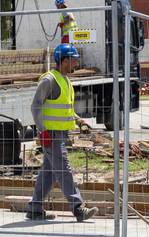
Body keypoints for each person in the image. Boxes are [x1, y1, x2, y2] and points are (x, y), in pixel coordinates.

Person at [27, 44, 98, 221]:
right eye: (73, 60)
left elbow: (64, 109)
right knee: (64, 169)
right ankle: (78, 207)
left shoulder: (64, 80)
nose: (75, 63)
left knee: (49, 172)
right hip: (51, 134)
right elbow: (35, 107)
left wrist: (77, 119)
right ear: (64, 60)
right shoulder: (49, 80)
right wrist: (42, 130)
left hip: (59, 134)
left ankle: (35, 208)